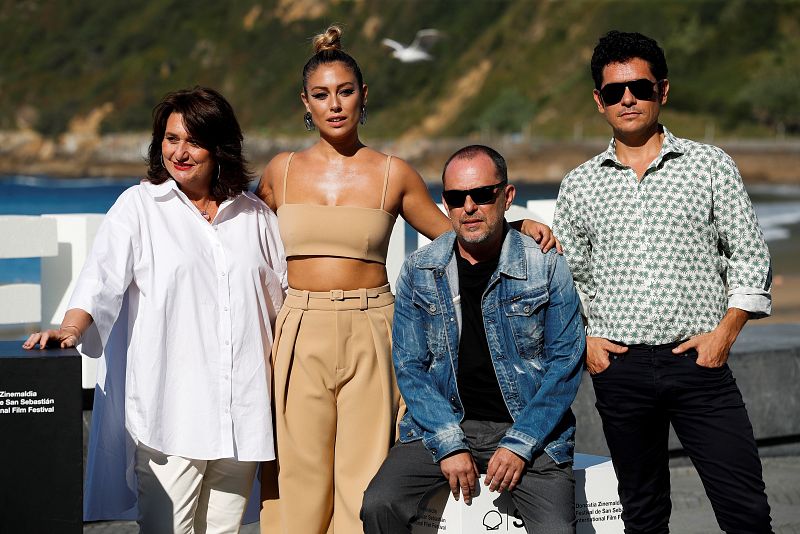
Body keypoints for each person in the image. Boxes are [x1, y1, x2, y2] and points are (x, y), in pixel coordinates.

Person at [256, 26, 559, 534]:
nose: (335, 105)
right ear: (304, 103)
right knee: (298, 476)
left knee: (363, 476)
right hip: (299, 326)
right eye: (322, 95)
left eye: (346, 92)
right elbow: (235, 235)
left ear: (363, 96)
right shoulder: (280, 171)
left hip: (374, 327)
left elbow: (460, 234)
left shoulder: (392, 172)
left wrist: (517, 223)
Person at [23, 86, 287, 533]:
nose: (179, 152)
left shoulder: (255, 215)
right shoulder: (140, 207)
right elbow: (100, 279)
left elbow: (281, 303)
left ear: (219, 146)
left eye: (193, 141)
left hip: (242, 416)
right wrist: (69, 328)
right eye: (170, 138)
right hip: (172, 417)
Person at [552, 30, 774, 534]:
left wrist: (724, 335)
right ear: (599, 101)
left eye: (640, 87)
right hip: (620, 370)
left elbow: (749, 253)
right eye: (613, 92)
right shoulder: (579, 183)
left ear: (663, 90)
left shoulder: (709, 165)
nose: (627, 99)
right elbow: (566, 279)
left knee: (746, 511)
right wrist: (586, 343)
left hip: (699, 363)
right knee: (643, 514)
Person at [360, 145, 585, 533]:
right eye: (455, 197)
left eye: (482, 195)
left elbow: (565, 364)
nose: (469, 206)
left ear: (507, 197)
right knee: (379, 504)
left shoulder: (545, 264)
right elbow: (410, 367)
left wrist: (520, 444)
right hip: (443, 422)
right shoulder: (420, 269)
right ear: (444, 203)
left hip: (531, 425)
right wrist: (448, 442)